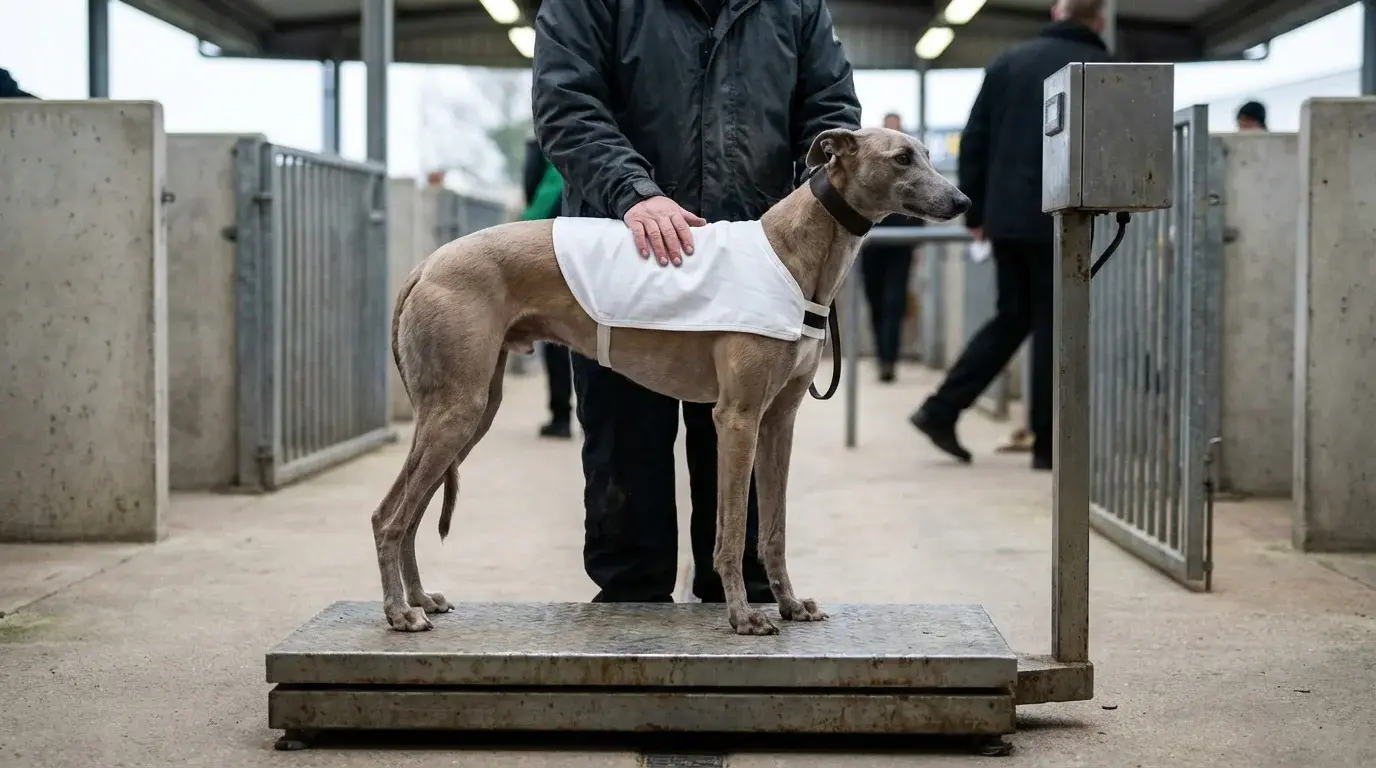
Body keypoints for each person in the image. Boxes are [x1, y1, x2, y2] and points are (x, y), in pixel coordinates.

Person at [532, 0, 861, 603]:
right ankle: (630, 627)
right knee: (626, 483)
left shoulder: (794, 7)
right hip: (627, 259)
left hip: (751, 273)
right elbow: (567, 105)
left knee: (747, 476)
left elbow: (830, 112)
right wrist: (635, 192)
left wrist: (803, 222)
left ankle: (745, 601)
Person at [909, 0, 1111, 472]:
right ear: (1098, 20)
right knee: (1054, 323)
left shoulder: (1008, 62)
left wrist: (975, 207)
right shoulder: (1102, 68)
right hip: (1067, 215)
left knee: (1015, 315)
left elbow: (975, 137)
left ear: (1057, 12)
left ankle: (942, 408)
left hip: (1008, 216)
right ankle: (1048, 444)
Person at [856, 113, 922, 383]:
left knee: (894, 302)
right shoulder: (872, 163)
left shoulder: (913, 161)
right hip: (872, 244)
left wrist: (915, 240)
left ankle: (888, 360)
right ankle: (882, 356)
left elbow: (921, 198)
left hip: (900, 245)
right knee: (875, 301)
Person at [521, 138, 575, 439]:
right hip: (599, 241)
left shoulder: (544, 144)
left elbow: (533, 190)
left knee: (555, 335)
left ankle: (561, 416)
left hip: (549, 241)